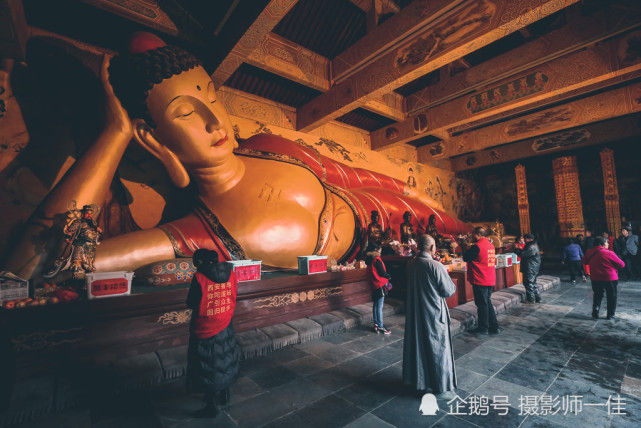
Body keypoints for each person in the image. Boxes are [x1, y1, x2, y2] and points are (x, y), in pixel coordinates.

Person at [4, 32, 469, 280]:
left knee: (441, 218)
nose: (213, 121)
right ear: (151, 137)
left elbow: (351, 173)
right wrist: (114, 134)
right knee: (436, 222)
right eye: (186, 112)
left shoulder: (267, 147)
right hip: (369, 243)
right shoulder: (197, 230)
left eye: (210, 95)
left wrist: (405, 189)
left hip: (389, 214)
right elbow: (39, 266)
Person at [186, 248, 240, 418]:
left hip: (205, 327)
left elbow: (191, 302)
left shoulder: (199, 277)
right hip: (225, 322)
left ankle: (211, 406)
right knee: (224, 358)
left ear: (200, 263)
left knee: (207, 364)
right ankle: (224, 394)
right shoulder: (231, 273)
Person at [403, 234, 457, 399]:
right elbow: (449, 290)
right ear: (432, 248)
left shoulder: (411, 264)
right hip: (433, 313)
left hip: (416, 312)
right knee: (438, 348)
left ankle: (422, 383)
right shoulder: (435, 266)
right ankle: (441, 387)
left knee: (420, 347)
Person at [463, 227, 499, 335]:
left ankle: (483, 328)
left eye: (473, 234)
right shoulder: (490, 245)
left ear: (478, 234)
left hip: (480, 278)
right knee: (487, 303)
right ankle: (494, 327)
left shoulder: (477, 246)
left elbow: (466, 258)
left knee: (482, 304)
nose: (472, 236)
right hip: (489, 278)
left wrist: (465, 248)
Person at [582, 236, 625, 320]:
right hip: (610, 278)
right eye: (607, 242)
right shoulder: (609, 253)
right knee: (611, 296)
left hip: (595, 278)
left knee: (597, 295)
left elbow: (584, 261)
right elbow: (622, 264)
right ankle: (610, 315)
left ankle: (595, 312)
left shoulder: (589, 252)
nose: (608, 244)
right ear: (602, 244)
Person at [365, 245, 392, 334]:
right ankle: (381, 326)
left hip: (373, 284)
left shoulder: (369, 259)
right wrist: (389, 276)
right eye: (380, 249)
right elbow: (382, 272)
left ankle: (376, 324)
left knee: (375, 305)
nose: (381, 251)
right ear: (376, 249)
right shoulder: (377, 259)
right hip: (379, 284)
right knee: (379, 306)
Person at [517, 233, 541, 303]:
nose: (524, 240)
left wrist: (516, 250)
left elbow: (523, 254)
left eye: (525, 238)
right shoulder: (534, 245)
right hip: (533, 267)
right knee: (533, 283)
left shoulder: (531, 246)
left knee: (528, 283)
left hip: (530, 267)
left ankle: (531, 299)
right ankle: (537, 298)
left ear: (530, 239)